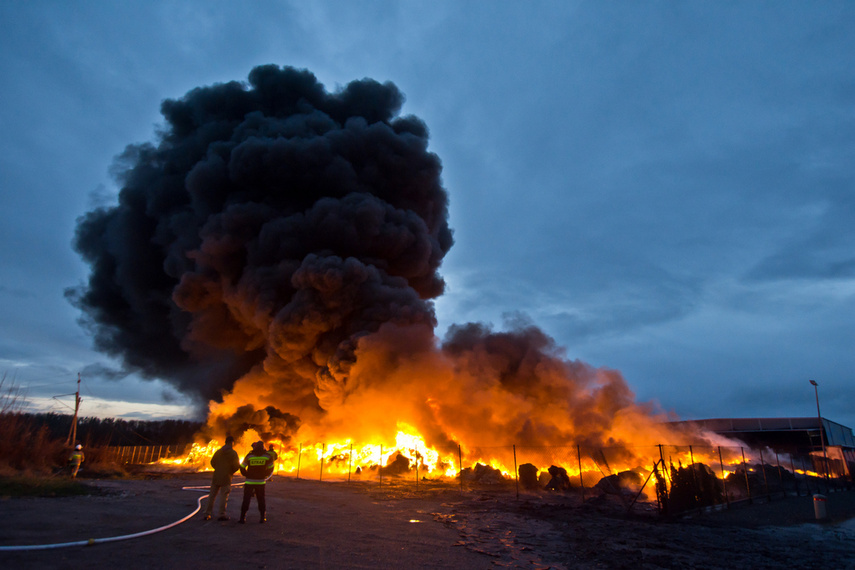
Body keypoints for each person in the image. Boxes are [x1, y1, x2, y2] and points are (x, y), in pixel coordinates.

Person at [204, 435, 240, 521]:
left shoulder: (218, 452)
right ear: (232, 442)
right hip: (226, 477)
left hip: (216, 477)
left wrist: (218, 469)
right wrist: (230, 471)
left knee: (211, 496)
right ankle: (221, 514)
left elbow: (212, 462)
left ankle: (207, 514)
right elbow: (236, 466)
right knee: (224, 496)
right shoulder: (233, 453)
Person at [239, 441, 274, 523]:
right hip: (260, 482)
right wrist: (265, 474)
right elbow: (271, 468)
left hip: (249, 482)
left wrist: (247, 474)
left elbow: (242, 467)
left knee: (246, 499)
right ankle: (262, 518)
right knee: (261, 500)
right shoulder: (267, 456)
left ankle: (242, 518)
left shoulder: (250, 455)